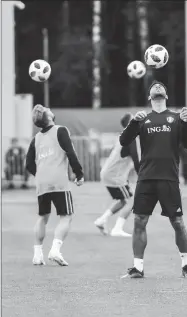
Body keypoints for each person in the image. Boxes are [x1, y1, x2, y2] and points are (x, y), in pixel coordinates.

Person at [119, 80, 187, 279]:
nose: (158, 87)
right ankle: (138, 267)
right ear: (149, 96)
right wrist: (133, 122)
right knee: (139, 221)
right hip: (146, 178)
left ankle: (186, 265)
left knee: (177, 222)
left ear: (166, 96)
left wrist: (186, 123)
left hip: (169, 178)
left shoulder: (177, 118)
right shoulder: (143, 119)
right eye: (154, 87)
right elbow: (123, 141)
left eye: (161, 86)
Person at [25, 104, 84, 266]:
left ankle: (37, 255)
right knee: (66, 216)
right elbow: (70, 152)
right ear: (48, 116)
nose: (50, 109)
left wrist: (41, 174)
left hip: (41, 182)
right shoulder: (60, 130)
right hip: (58, 181)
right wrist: (79, 174)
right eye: (47, 109)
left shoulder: (35, 139)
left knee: (42, 217)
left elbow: (29, 164)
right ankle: (55, 250)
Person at [94, 113, 140, 237]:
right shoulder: (131, 138)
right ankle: (117, 229)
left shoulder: (124, 137)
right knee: (132, 200)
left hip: (109, 173)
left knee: (123, 200)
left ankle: (102, 220)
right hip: (114, 175)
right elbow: (136, 159)